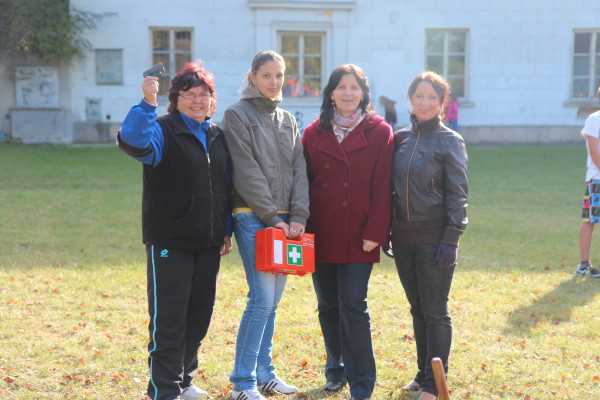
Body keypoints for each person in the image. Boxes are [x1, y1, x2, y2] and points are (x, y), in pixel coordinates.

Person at [117, 61, 232, 400]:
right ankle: (164, 390)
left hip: (208, 242)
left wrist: (225, 229)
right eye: (189, 94)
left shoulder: (217, 135)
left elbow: (224, 186)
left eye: (204, 94)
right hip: (170, 241)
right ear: (175, 99)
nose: (197, 101)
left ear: (212, 100)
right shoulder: (162, 129)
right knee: (169, 320)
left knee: (198, 317)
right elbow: (133, 141)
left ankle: (184, 381)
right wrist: (147, 103)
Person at [221, 50, 310, 400]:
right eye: (266, 75)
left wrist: (298, 216)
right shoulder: (236, 114)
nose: (274, 82)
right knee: (260, 300)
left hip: (287, 221)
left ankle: (264, 374)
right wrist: (273, 218)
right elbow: (245, 171)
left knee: (272, 303)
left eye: (279, 75)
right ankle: (242, 383)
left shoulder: (287, 119)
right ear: (252, 77)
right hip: (253, 216)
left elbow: (299, 169)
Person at [302, 64, 394, 400]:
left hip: (360, 233)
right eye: (341, 87)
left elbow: (383, 187)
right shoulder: (313, 133)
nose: (348, 93)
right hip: (321, 231)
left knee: (353, 304)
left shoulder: (380, 131)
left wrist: (376, 231)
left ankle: (362, 381)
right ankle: (335, 370)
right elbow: (303, 184)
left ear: (364, 94)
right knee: (327, 305)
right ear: (330, 93)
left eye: (354, 87)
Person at [390, 71, 468, 400]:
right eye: (419, 96)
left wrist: (451, 238)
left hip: (435, 237)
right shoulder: (399, 139)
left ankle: (436, 383)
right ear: (411, 99)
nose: (424, 102)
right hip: (403, 237)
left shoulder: (451, 140)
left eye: (431, 97)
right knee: (417, 309)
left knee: (435, 310)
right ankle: (423, 374)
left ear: (442, 102)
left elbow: (458, 195)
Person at [575, 86, 600, 278]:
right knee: (590, 220)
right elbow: (594, 152)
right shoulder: (594, 119)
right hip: (596, 179)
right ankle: (584, 264)